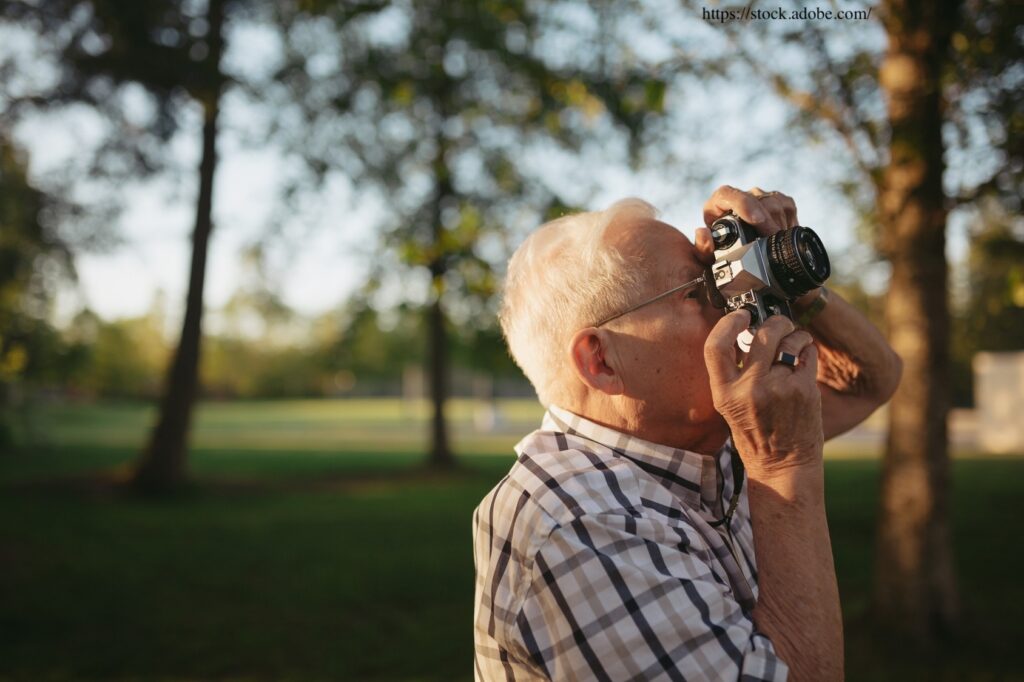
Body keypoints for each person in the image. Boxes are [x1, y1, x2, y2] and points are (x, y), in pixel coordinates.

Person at [472, 187, 902, 681]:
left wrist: (784, 277)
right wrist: (784, 467)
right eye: (699, 291)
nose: (731, 301)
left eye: (721, 273)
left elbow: (872, 377)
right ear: (602, 360)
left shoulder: (703, 446)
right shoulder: (575, 518)